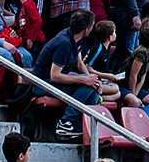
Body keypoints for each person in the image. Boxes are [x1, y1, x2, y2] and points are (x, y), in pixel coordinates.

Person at [33, 9, 100, 140]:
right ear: (87, 29)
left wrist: (92, 80)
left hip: (56, 82)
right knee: (86, 86)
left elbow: (80, 64)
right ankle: (66, 122)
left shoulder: (77, 40)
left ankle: (81, 127)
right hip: (42, 84)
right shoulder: (64, 43)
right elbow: (55, 75)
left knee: (92, 89)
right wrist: (85, 80)